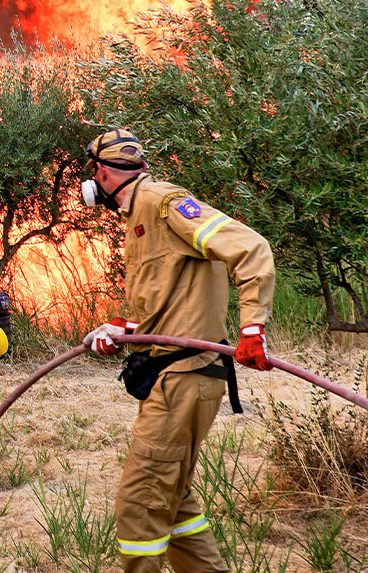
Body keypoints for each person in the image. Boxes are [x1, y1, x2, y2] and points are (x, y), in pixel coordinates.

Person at [80, 129, 276, 573]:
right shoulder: (139, 216)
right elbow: (169, 305)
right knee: (173, 497)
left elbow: (251, 248)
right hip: (176, 372)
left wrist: (252, 329)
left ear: (102, 173)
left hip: (184, 377)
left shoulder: (163, 202)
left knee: (141, 502)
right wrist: (123, 330)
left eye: (93, 172)